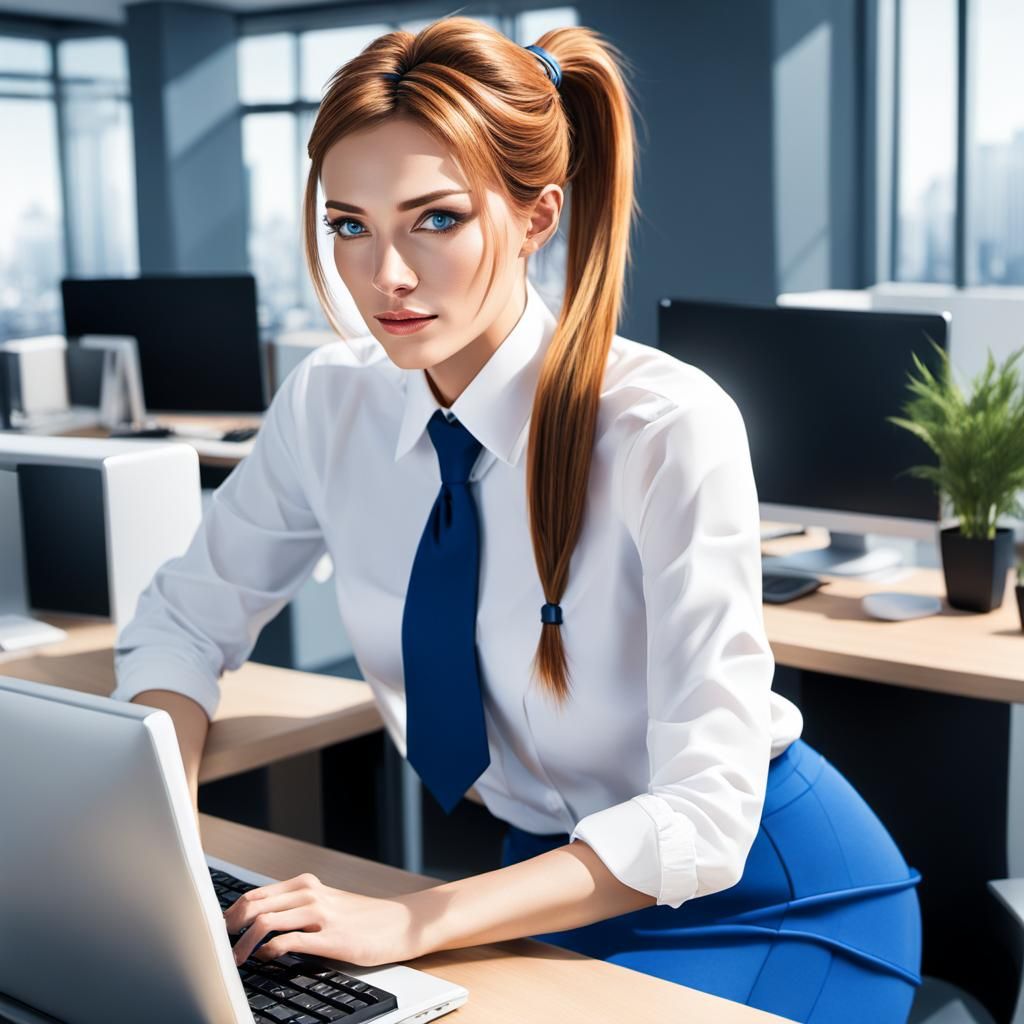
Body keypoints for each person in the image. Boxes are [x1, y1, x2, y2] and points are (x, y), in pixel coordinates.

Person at [112, 17, 923, 1022]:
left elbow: (707, 817)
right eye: (350, 224)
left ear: (536, 215)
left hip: (768, 891)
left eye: (436, 219)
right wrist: (168, 848)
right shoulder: (332, 403)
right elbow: (185, 618)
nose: (386, 276)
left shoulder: (664, 426)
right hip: (542, 878)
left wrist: (409, 920)